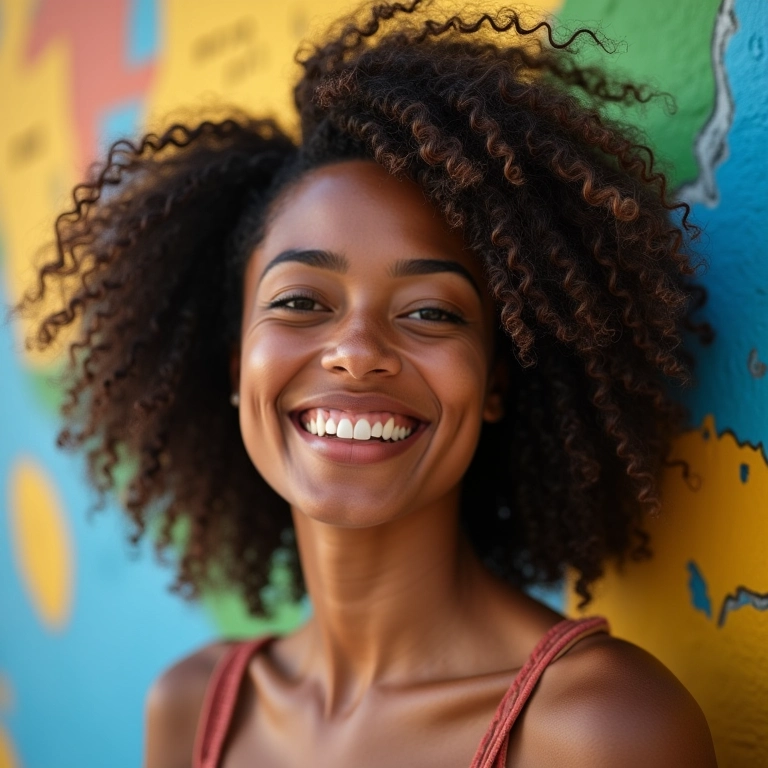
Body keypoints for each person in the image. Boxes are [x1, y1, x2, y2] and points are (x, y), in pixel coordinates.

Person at [20, 2, 717, 765]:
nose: (356, 352)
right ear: (236, 366)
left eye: (430, 312)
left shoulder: (598, 728)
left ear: (494, 383)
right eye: (300, 302)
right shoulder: (192, 710)